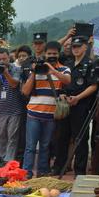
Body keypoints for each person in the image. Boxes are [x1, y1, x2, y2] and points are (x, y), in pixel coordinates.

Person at [21, 41, 70, 177]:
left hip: (50, 115)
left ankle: (42, 172)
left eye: (55, 53)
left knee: (45, 146)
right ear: (45, 54)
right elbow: (25, 91)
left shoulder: (64, 69)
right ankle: (27, 172)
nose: (52, 56)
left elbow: (67, 80)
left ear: (59, 54)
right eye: (49, 54)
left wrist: (52, 70)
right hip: (33, 114)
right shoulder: (36, 69)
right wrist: (33, 73)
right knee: (30, 147)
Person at [49, 36, 94, 175]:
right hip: (65, 105)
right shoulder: (67, 63)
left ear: (85, 47)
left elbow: (94, 85)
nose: (75, 49)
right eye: (73, 46)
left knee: (80, 138)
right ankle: (58, 168)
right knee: (61, 137)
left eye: (78, 46)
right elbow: (61, 83)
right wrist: (62, 93)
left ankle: (79, 171)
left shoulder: (90, 64)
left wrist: (78, 98)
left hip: (81, 105)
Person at [0, 47, 25, 163]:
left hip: (15, 109)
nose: (2, 62)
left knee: (12, 137)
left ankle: (9, 161)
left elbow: (14, 84)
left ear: (9, 58)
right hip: (1, 109)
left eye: (4, 59)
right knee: (2, 136)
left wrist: (5, 72)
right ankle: (3, 158)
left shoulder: (15, 69)